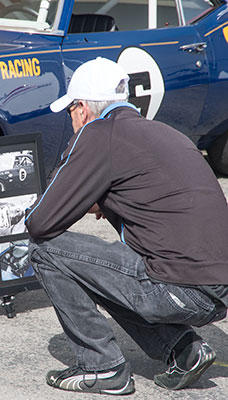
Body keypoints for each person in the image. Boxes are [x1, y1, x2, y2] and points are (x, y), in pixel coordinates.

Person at [25, 57, 228, 395]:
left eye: (70, 111)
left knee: (46, 251)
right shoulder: (162, 131)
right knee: (111, 268)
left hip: (179, 288)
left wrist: (86, 196)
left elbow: (40, 223)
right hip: (215, 290)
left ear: (81, 108)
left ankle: (102, 367)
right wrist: (105, 199)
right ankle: (185, 350)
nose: (71, 119)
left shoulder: (98, 132)